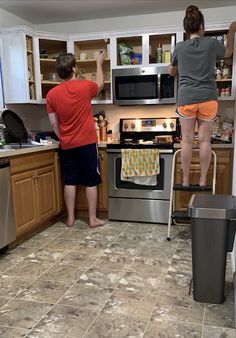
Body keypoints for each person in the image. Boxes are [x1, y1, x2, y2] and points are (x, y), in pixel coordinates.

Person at [169, 5, 236, 187]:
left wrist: (176, 67)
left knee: (187, 141)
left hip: (187, 99)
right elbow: (228, 53)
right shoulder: (211, 44)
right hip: (208, 98)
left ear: (186, 29)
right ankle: (202, 179)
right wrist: (231, 31)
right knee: (205, 140)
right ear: (202, 27)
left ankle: (184, 181)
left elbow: (171, 71)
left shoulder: (179, 47)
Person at [46, 51, 107, 228]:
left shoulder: (52, 95)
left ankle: (71, 218)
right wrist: (98, 62)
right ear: (75, 69)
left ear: (59, 74)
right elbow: (101, 84)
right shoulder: (85, 86)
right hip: (87, 142)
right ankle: (93, 219)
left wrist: (63, 137)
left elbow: (54, 124)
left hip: (67, 145)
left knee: (70, 181)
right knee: (90, 181)